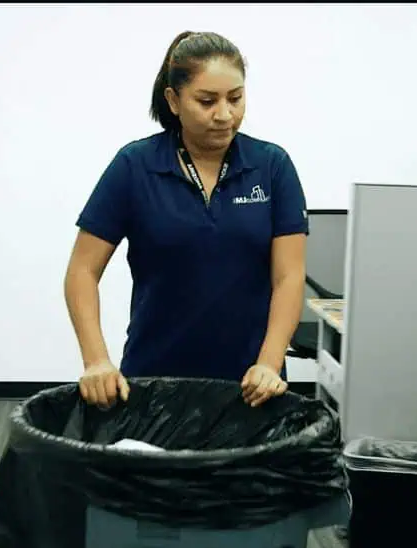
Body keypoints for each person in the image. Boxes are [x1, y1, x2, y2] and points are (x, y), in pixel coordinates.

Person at [64, 31, 309, 409]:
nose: (225, 114)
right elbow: (82, 270)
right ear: (174, 101)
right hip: (154, 382)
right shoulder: (134, 166)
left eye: (236, 98)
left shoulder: (272, 167)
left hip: (250, 387)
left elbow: (289, 277)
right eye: (207, 101)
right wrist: (96, 360)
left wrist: (270, 362)